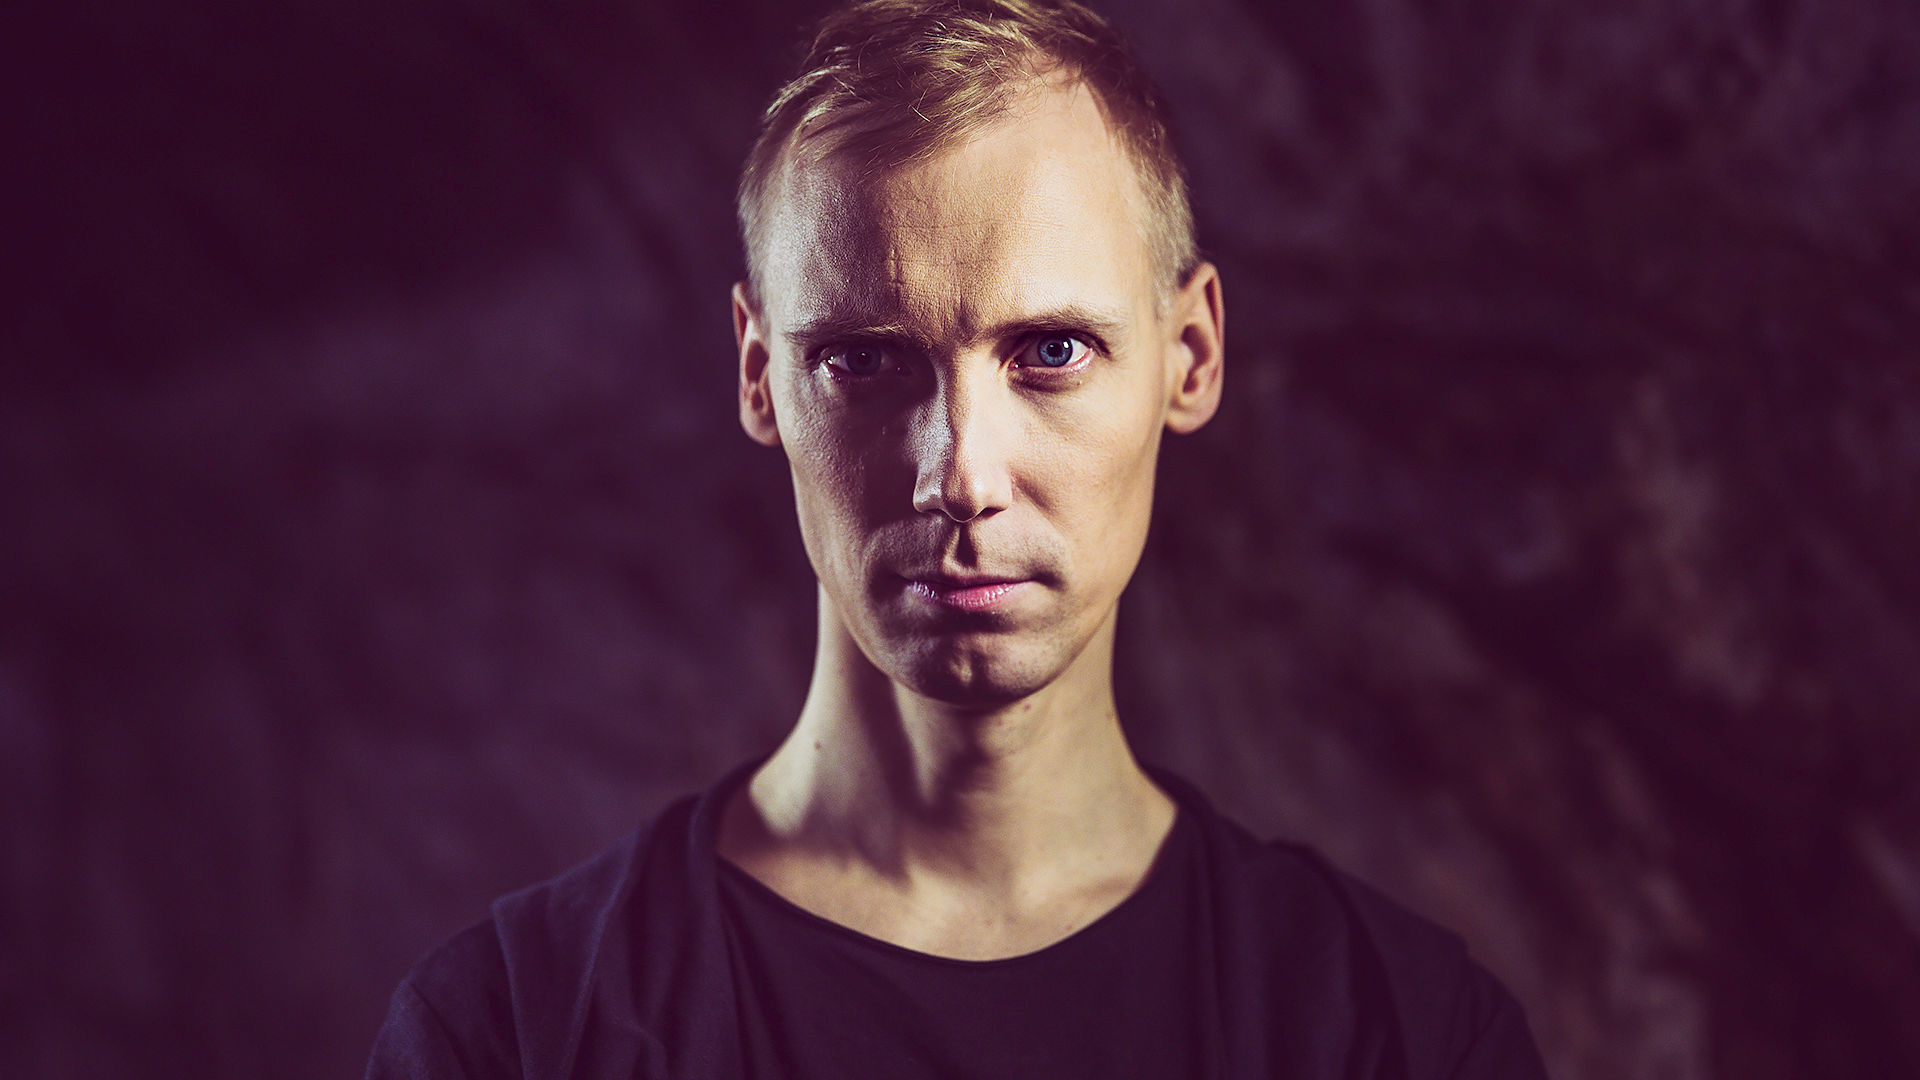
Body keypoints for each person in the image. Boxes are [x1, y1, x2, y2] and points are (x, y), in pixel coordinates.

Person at [366, 1, 1549, 1076]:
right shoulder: (512, 1033)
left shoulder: (1400, 1037)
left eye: (1051, 352)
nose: (962, 477)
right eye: (864, 361)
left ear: (1190, 356)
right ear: (760, 375)